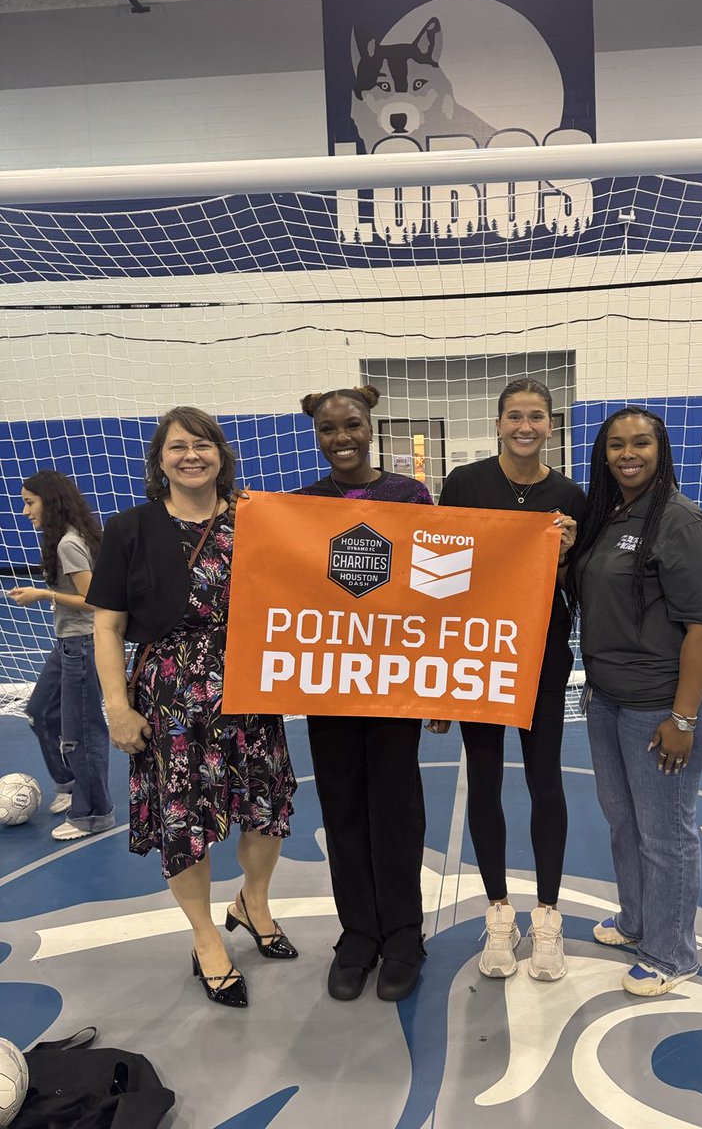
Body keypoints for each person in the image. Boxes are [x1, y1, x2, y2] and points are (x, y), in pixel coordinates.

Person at [88, 407, 297, 1009]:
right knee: (184, 820)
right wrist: (117, 707)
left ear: (221, 455)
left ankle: (252, 902)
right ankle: (206, 938)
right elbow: (108, 627)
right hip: (171, 694)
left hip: (252, 687)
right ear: (160, 460)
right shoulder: (130, 528)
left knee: (265, 804)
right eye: (177, 446)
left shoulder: (255, 520)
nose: (191, 455)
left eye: (203, 444)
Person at [566, 406, 702, 997]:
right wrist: (568, 551)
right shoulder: (606, 515)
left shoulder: (680, 521)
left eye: (640, 443)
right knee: (625, 821)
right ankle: (638, 920)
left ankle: (671, 954)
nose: (628, 454)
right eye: (616, 444)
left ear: (661, 449)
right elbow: (591, 591)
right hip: (608, 698)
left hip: (664, 704)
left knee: (664, 831)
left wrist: (682, 718)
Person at [433, 377, 584, 983]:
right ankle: (499, 912)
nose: (526, 426)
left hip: (543, 654)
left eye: (537, 417)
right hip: (478, 657)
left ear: (551, 426)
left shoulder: (570, 494)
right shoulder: (465, 484)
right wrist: (440, 678)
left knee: (546, 780)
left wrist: (568, 553)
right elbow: (440, 575)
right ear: (498, 423)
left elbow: (576, 584)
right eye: (515, 416)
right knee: (486, 781)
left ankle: (548, 914)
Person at [296, 385, 432, 1002]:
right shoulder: (299, 505)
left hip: (395, 686)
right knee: (343, 810)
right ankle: (357, 935)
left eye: (352, 425)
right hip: (329, 687)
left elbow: (435, 594)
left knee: (396, 811)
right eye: (329, 429)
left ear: (371, 427)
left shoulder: (408, 496)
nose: (342, 437)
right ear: (317, 435)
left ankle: (404, 935)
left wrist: (435, 686)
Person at [8, 471, 115, 842]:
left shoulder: (68, 543)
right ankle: (68, 781)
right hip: (67, 643)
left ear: (49, 503)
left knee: (82, 732)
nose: (24, 511)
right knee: (41, 712)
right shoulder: (70, 537)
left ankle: (94, 813)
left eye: (29, 502)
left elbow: (95, 600)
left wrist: (44, 595)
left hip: (84, 645)